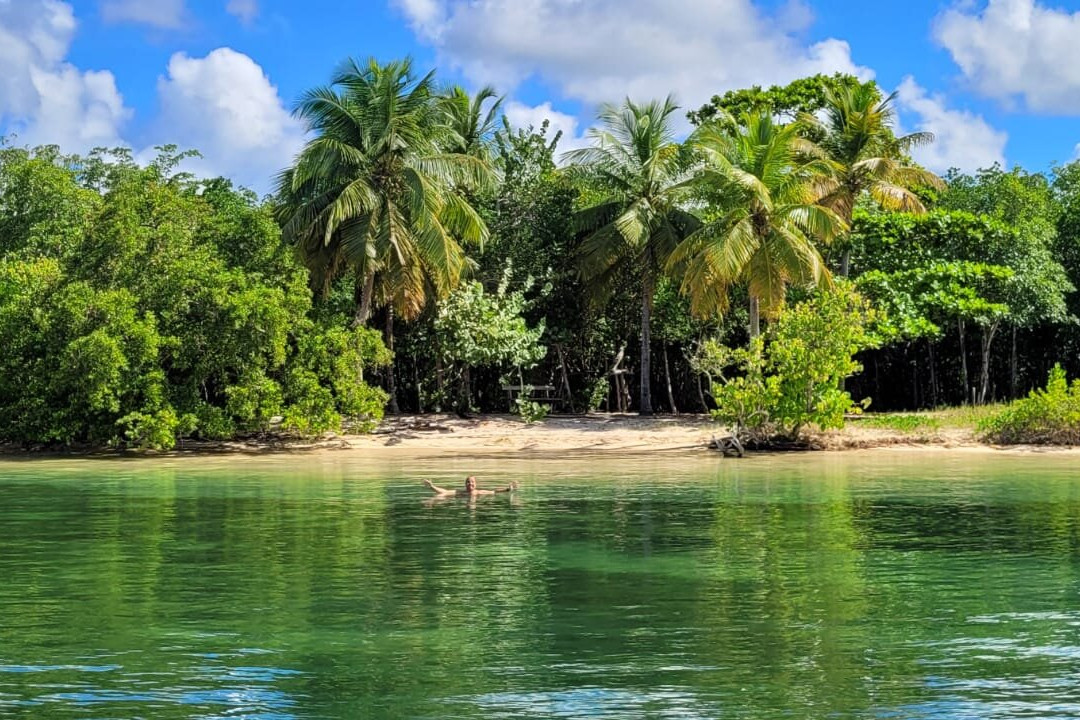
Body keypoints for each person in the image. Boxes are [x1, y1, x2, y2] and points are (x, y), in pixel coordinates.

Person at [423, 476, 518, 497]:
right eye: (468, 482)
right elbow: (444, 492)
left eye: (472, 482)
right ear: (465, 484)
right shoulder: (459, 492)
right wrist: (432, 486)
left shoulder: (479, 492)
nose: (470, 484)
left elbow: (494, 492)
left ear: (476, 484)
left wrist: (507, 489)